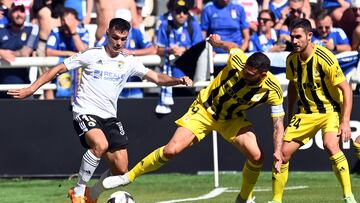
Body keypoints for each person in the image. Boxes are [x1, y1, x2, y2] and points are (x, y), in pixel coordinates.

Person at [7, 18, 192, 203]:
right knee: (100, 145)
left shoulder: (128, 62)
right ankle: (78, 191)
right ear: (107, 35)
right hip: (85, 111)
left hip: (109, 116)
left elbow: (157, 78)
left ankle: (92, 194)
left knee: (121, 169)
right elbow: (58, 69)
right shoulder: (92, 54)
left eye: (123, 39)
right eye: (115, 37)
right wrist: (32, 88)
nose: (118, 42)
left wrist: (178, 80)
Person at [102, 34, 286, 203]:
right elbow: (232, 46)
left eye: (250, 74)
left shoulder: (273, 89)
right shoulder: (238, 61)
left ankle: (244, 198)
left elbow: (278, 123)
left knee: (256, 156)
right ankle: (129, 177)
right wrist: (218, 43)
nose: (244, 74)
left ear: (262, 75)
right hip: (204, 110)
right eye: (245, 70)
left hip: (232, 119)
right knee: (171, 150)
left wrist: (278, 151)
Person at [269, 18, 357, 203]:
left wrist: (345, 120)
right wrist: (290, 112)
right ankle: (276, 200)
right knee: (282, 154)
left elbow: (346, 89)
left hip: (330, 111)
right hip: (305, 113)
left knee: (331, 145)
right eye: (292, 37)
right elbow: (293, 86)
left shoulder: (324, 57)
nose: (294, 41)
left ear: (310, 36)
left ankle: (348, 196)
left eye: (298, 37)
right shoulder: (291, 59)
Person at [155, 0, 203, 114]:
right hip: (171, 78)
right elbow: (157, 49)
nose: (182, 14)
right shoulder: (165, 25)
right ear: (172, 12)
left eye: (185, 11)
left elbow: (200, 48)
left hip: (191, 76)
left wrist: (184, 50)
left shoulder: (193, 25)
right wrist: (169, 50)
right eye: (178, 11)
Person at [46, 7, 89, 98]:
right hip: (60, 71)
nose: (66, 23)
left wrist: (73, 32)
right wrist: (68, 53)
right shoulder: (56, 31)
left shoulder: (83, 31)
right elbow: (49, 51)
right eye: (63, 20)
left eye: (69, 20)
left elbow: (84, 51)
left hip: (79, 74)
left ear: (76, 21)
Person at [0, 2, 39, 98]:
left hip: (23, 87)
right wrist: (1, 52)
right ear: (10, 13)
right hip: (1, 87)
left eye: (21, 11)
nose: (19, 15)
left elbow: (25, 52)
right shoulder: (1, 29)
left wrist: (6, 53)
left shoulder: (32, 29)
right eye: (15, 11)